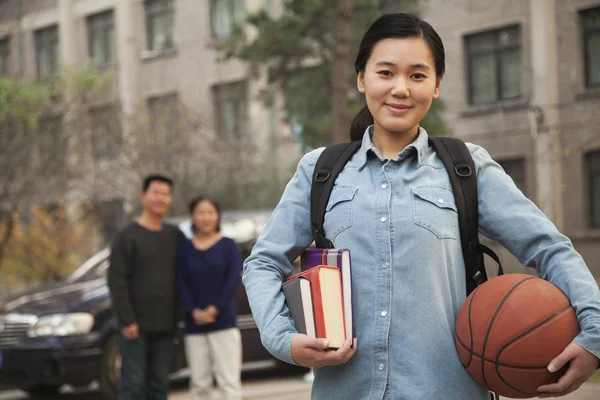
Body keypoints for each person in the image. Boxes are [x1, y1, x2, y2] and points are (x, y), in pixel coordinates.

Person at [242, 13, 600, 400]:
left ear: (437, 84)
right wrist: (284, 339)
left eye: (417, 75)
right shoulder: (320, 171)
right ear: (362, 79)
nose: (400, 89)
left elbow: (548, 246)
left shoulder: (468, 168)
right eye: (385, 73)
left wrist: (594, 334)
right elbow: (262, 263)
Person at [108, 174, 185, 400]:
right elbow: (117, 280)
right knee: (133, 384)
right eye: (156, 193)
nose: (161, 198)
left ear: (170, 199)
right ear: (143, 196)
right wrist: (126, 320)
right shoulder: (126, 236)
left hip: (166, 324)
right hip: (135, 327)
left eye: (166, 194)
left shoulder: (175, 236)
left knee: (159, 384)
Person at [176, 196, 243, 400]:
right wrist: (192, 310)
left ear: (217, 216)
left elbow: (232, 281)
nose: (206, 217)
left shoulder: (228, 245)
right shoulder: (184, 249)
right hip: (194, 325)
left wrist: (216, 308)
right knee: (199, 383)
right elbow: (180, 282)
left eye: (210, 212)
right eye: (201, 212)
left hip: (224, 323)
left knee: (229, 382)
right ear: (193, 217)